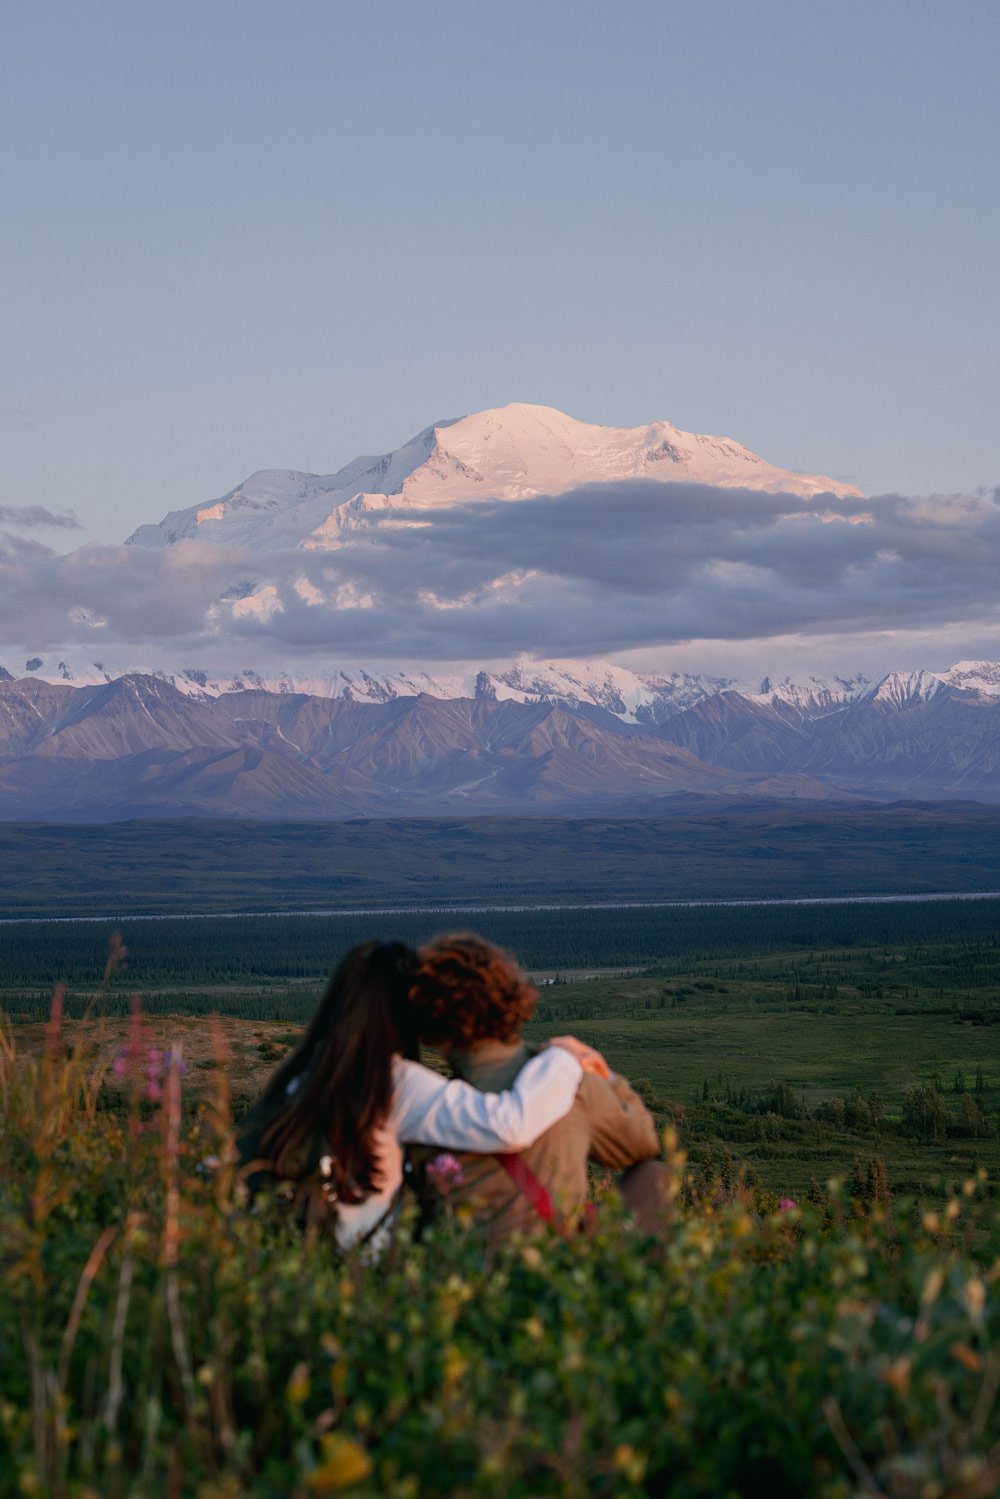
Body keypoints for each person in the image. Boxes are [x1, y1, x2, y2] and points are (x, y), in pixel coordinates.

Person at [236, 939, 603, 1255]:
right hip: (361, 1272)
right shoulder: (396, 1084)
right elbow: (509, 1124)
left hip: (287, 1259)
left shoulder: (304, 1075)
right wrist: (562, 1058)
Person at [408, 934, 668, 1238]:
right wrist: (606, 1076)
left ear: (429, 1028)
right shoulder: (571, 1082)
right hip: (559, 1268)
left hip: (464, 1276)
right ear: (510, 999)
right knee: (654, 1178)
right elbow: (642, 1143)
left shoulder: (423, 1107)